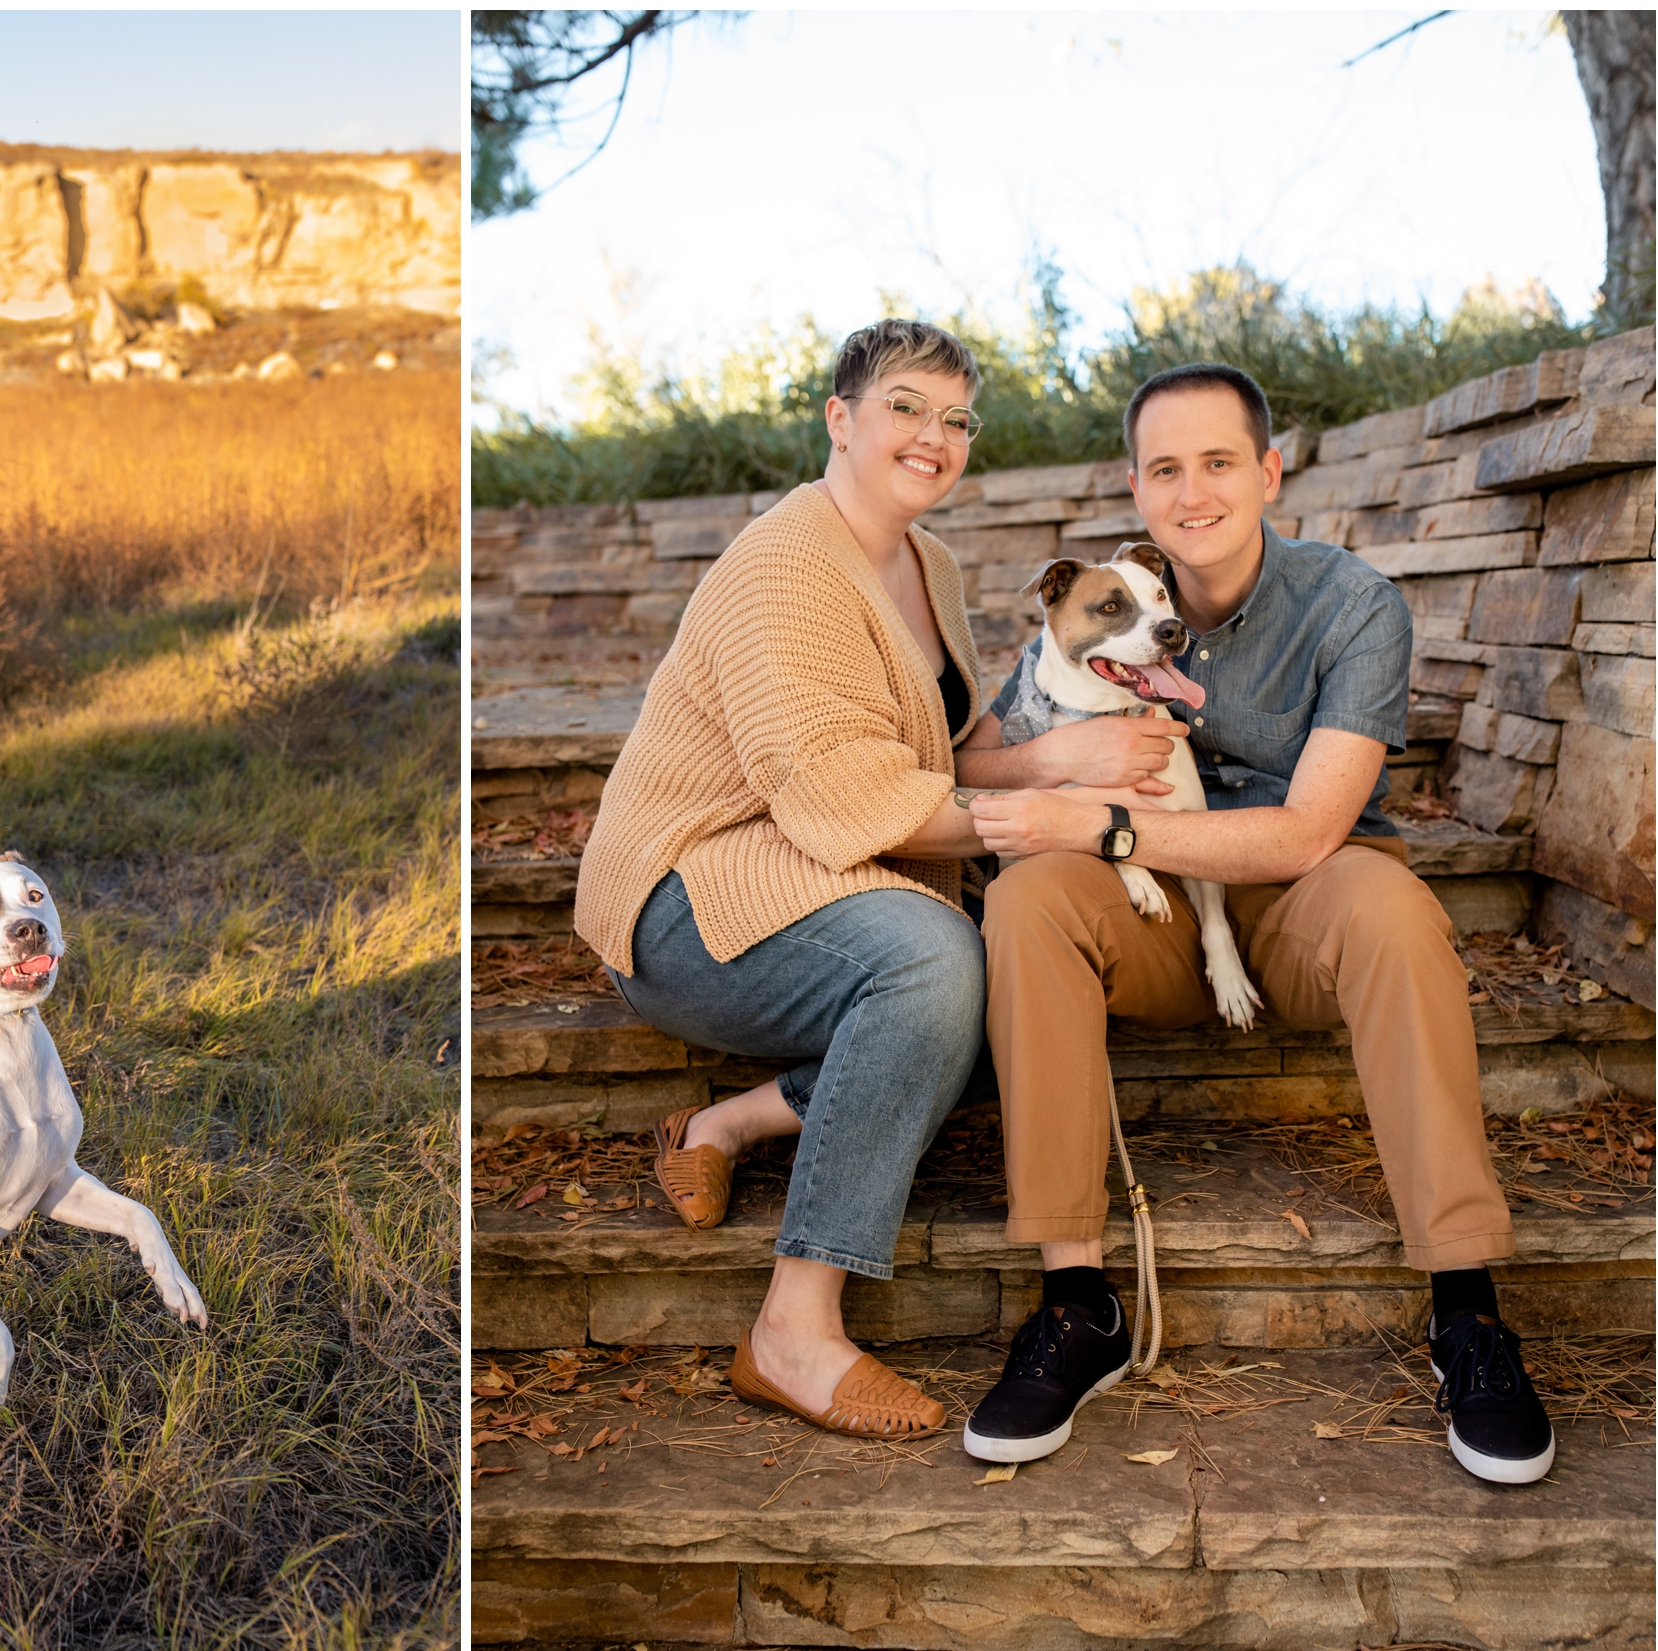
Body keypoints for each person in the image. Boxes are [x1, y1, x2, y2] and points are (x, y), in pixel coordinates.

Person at [958, 362, 1552, 1485]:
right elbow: (979, 760)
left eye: (1220, 461)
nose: (1195, 492)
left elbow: (1305, 833)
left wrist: (1112, 831)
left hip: (1302, 898)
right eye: (1167, 468)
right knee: (1031, 895)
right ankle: (1076, 1302)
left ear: (1270, 471)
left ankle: (1466, 1310)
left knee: (1392, 908)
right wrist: (1056, 760)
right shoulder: (1104, 600)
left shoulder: (1352, 605)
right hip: (1151, 920)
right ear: (1136, 487)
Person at [575, 320, 1024, 1440]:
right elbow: (836, 793)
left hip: (812, 872)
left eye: (957, 418)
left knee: (1008, 990)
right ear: (840, 418)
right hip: (690, 892)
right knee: (934, 967)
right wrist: (1051, 816)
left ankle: (722, 1125)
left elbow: (947, 748)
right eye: (907, 407)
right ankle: (793, 1328)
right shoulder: (784, 561)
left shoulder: (933, 566)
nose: (935, 435)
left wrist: (1082, 760)